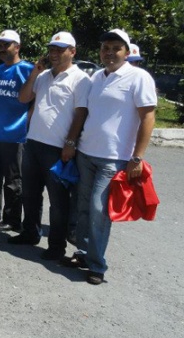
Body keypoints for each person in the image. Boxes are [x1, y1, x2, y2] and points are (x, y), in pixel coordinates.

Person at [64, 29, 156, 285]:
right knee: (83, 207)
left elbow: (148, 117)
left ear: (126, 52)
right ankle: (83, 253)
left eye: (116, 48)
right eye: (105, 48)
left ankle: (97, 265)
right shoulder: (96, 77)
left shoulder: (138, 77)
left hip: (114, 158)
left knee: (98, 209)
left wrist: (137, 157)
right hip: (86, 153)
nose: (109, 52)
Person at [8, 32, 92, 259]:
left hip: (57, 148)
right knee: (30, 194)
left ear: (72, 52)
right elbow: (23, 98)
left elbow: (81, 113)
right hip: (34, 142)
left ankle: (56, 246)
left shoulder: (80, 79)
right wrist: (34, 74)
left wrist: (70, 143)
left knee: (58, 201)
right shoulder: (43, 75)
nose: (54, 53)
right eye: (52, 49)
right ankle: (30, 232)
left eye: (60, 49)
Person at [0, 30, 34, 232]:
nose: (2, 48)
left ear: (17, 47)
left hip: (14, 134)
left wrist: (26, 124)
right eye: (0, 45)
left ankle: (12, 219)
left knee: (12, 180)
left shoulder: (28, 70)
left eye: (6, 45)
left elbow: (34, 101)